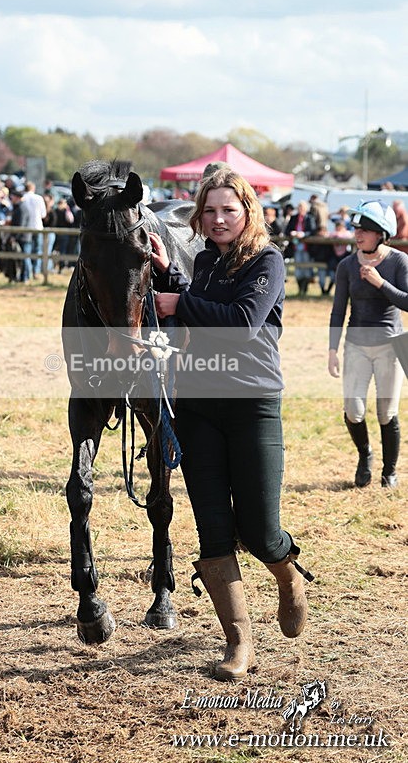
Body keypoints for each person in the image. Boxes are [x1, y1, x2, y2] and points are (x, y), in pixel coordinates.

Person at [149, 168, 312, 681]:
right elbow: (202, 307)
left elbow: (241, 322)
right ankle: (238, 643)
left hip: (252, 404)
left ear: (248, 212)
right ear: (199, 216)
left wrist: (179, 301)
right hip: (198, 405)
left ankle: (288, 576)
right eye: (211, 211)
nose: (219, 219)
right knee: (213, 530)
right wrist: (173, 280)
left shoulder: (267, 260)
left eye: (229, 210)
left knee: (261, 531)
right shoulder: (200, 262)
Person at [328, 200, 408, 488]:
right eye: (356, 228)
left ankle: (390, 471)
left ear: (381, 233)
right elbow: (338, 309)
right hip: (356, 345)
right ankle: (365, 455)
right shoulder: (346, 265)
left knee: (387, 412)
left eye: (365, 229)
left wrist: (380, 284)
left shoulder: (398, 261)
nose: (357, 233)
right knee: (353, 410)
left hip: (393, 346)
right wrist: (332, 349)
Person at [285, 200, 316, 295]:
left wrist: (303, 234)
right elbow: (287, 230)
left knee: (306, 268)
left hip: (306, 247)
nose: (300, 209)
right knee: (298, 269)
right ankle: (300, 289)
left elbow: (312, 230)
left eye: (302, 207)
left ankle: (305, 289)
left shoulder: (309, 218)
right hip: (296, 246)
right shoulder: (294, 218)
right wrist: (292, 233)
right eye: (299, 207)